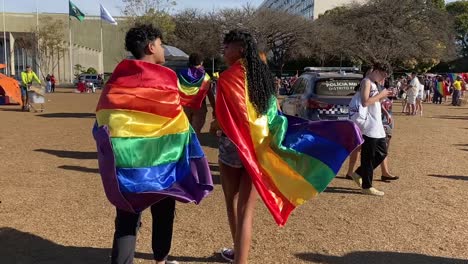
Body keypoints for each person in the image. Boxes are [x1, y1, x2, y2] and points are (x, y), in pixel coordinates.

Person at [215, 29, 362, 263]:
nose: (223, 50)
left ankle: (236, 254)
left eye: (226, 46)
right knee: (246, 209)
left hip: (234, 147)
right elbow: (272, 113)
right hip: (261, 147)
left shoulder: (227, 78)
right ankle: (240, 259)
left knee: (232, 203)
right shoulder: (261, 76)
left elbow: (226, 118)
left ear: (240, 49)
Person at [94, 24, 214, 264]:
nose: (163, 50)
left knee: (127, 218)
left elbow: (104, 117)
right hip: (162, 163)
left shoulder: (118, 78)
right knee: (163, 213)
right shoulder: (166, 80)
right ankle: (161, 259)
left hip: (128, 164)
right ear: (150, 47)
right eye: (160, 44)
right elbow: (177, 119)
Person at [349, 62, 392, 196]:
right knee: (369, 155)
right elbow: (365, 102)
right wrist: (381, 94)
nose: (383, 79)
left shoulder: (374, 84)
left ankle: (359, 173)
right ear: (377, 71)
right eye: (383, 76)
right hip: (368, 125)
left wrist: (385, 111)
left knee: (382, 152)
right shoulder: (366, 82)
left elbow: (374, 101)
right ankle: (367, 185)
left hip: (376, 123)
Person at [177, 53, 216, 135]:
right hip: (200, 107)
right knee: (195, 134)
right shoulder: (205, 76)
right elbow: (210, 94)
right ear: (201, 62)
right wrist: (214, 109)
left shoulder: (181, 74)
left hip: (184, 106)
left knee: (185, 132)